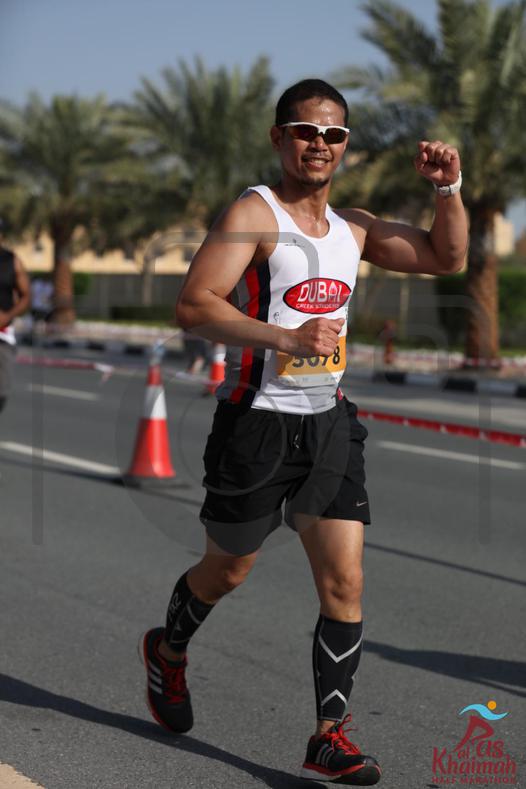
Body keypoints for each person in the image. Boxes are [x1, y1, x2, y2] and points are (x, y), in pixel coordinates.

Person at [139, 79, 467, 784]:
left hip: (328, 426)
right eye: (304, 131)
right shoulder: (253, 213)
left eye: (333, 134)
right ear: (279, 138)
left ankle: (329, 735)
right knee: (228, 569)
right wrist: (285, 337)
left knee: (344, 581)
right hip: (254, 423)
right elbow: (194, 305)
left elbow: (448, 259)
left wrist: (448, 190)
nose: (319, 144)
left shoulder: (354, 227)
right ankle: (168, 650)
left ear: (345, 145)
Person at [0, 220, 31, 414]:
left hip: (2, 334)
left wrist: (7, 315)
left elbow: (26, 297)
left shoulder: (12, 261)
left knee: (2, 390)